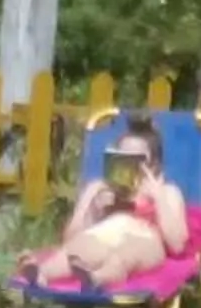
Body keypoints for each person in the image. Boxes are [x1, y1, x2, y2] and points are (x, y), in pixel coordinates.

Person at [16, 113, 189, 288]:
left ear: (153, 165)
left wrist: (157, 197)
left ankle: (98, 278)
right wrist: (92, 210)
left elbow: (177, 244)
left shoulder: (167, 192)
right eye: (122, 157)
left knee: (124, 256)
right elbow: (70, 239)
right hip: (105, 236)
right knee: (76, 251)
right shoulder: (99, 188)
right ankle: (40, 273)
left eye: (136, 159)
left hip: (144, 239)